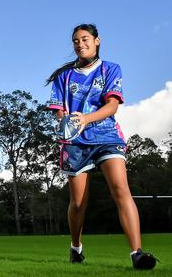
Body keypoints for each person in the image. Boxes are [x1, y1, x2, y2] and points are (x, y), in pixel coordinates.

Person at [47, 24, 157, 270]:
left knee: (120, 189)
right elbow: (59, 112)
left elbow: (112, 106)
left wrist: (85, 119)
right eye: (75, 40)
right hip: (75, 143)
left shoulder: (110, 69)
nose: (80, 43)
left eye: (85, 39)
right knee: (78, 203)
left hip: (106, 135)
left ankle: (137, 253)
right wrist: (67, 124)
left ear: (97, 41)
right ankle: (76, 247)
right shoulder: (62, 77)